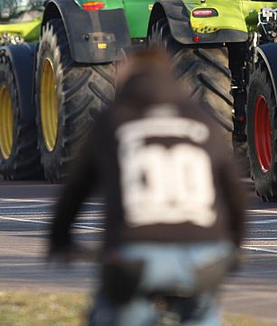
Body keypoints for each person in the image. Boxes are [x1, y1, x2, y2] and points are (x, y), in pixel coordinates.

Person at [49, 47, 245, 325]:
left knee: (114, 314)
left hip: (135, 258)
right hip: (204, 258)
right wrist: (235, 246)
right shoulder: (202, 122)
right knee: (202, 314)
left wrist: (59, 238)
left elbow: (76, 190)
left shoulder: (113, 121)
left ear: (126, 72)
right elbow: (234, 194)